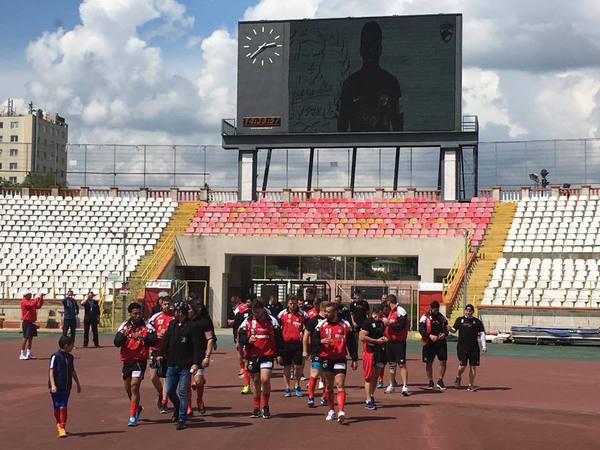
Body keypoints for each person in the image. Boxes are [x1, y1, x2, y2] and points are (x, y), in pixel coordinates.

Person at [337, 21, 403, 132]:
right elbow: (341, 128)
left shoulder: (391, 83)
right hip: (356, 146)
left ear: (380, 49)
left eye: (374, 44)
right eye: (367, 44)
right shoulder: (349, 85)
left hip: (384, 148)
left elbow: (398, 126)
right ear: (361, 49)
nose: (370, 50)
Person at [157, 302, 201, 430]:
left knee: (183, 391)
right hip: (172, 363)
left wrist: (195, 363)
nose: (174, 313)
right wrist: (160, 354)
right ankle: (177, 408)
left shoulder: (192, 326)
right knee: (170, 390)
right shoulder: (172, 324)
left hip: (185, 365)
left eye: (176, 311)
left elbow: (196, 346)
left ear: (181, 312)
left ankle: (182, 418)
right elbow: (166, 341)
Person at [312, 302, 358, 423]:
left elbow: (352, 343)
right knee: (328, 386)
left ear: (335, 312)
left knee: (340, 384)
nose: (326, 314)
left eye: (329, 312)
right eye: (326, 312)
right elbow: (313, 340)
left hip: (340, 358)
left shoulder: (345, 325)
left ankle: (341, 411)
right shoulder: (321, 324)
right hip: (326, 358)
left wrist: (354, 358)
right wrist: (321, 341)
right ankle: (331, 410)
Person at [238, 298, 283, 419]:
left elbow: (279, 339)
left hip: (267, 354)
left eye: (257, 312)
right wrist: (247, 340)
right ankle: (256, 407)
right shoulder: (247, 321)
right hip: (253, 355)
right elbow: (241, 336)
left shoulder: (272, 321)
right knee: (256, 381)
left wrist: (279, 354)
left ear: (263, 310)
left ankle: (266, 406)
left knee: (265, 379)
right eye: (254, 312)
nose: (255, 314)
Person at [114, 302, 157, 427]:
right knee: (128, 387)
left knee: (134, 385)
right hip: (127, 360)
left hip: (140, 359)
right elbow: (116, 342)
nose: (138, 316)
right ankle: (137, 407)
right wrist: (125, 334)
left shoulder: (147, 326)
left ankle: (133, 416)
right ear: (130, 314)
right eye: (135, 314)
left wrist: (143, 337)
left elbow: (153, 340)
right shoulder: (124, 326)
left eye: (139, 313)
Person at [448, 304, 487, 392]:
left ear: (473, 311)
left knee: (473, 367)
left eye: (470, 311)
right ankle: (458, 376)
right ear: (465, 311)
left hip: (474, 348)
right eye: (467, 310)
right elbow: (454, 330)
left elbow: (482, 334)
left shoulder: (477, 322)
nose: (468, 312)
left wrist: (484, 346)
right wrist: (450, 329)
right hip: (462, 347)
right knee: (463, 365)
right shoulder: (459, 320)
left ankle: (471, 385)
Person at [48, 336, 81, 438]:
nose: (72, 347)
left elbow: (72, 371)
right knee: (57, 406)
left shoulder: (70, 357)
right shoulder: (55, 356)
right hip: (56, 387)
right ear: (66, 346)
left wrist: (78, 383)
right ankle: (58, 423)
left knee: (63, 406)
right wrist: (53, 385)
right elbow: (51, 371)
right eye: (72, 345)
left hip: (67, 387)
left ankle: (62, 427)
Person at [187, 302, 216, 416]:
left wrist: (207, 356)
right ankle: (188, 406)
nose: (187, 311)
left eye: (189, 309)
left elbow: (210, 339)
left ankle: (199, 399)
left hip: (198, 355)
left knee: (199, 381)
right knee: (185, 383)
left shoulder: (203, 322)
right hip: (184, 356)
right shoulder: (183, 323)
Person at [148, 295, 174, 413]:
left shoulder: (175, 317)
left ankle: (164, 402)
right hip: (155, 349)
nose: (167, 306)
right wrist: (157, 334)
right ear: (161, 305)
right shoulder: (155, 317)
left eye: (169, 304)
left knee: (165, 377)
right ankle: (161, 393)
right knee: (153, 377)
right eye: (164, 304)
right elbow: (148, 332)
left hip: (169, 351)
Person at [277, 295, 307, 398]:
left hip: (298, 344)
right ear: (287, 303)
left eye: (294, 303)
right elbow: (276, 328)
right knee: (287, 367)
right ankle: (287, 388)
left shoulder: (302, 314)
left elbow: (308, 327)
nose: (292, 305)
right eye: (290, 303)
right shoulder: (282, 314)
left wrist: (303, 332)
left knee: (298, 367)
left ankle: (297, 385)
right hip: (286, 344)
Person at [359, 304, 387, 410]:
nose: (384, 313)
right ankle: (368, 400)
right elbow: (362, 337)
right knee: (369, 377)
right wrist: (376, 341)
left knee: (376, 375)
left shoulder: (381, 322)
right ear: (378, 311)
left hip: (379, 352)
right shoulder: (368, 322)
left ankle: (371, 395)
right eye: (383, 311)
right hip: (369, 352)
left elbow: (382, 334)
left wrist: (384, 338)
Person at [303, 301, 329, 407]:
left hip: (329, 353)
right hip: (316, 351)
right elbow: (305, 336)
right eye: (328, 309)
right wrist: (305, 350)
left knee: (327, 376)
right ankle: (311, 397)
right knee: (314, 374)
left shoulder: (331, 321)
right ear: (324, 309)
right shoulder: (313, 321)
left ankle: (324, 397)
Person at [419, 301, 449, 391]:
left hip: (441, 343)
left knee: (443, 361)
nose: (436, 311)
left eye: (437, 309)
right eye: (435, 309)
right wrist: (429, 336)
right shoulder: (424, 317)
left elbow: (447, 329)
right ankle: (430, 382)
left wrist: (444, 334)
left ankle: (440, 380)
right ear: (431, 308)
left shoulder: (442, 317)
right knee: (429, 362)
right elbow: (421, 330)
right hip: (429, 343)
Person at [384, 294, 410, 396]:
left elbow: (401, 325)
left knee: (401, 364)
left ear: (390, 302)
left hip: (399, 342)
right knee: (391, 364)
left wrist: (389, 324)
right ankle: (392, 385)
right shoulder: (390, 312)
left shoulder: (401, 311)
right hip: (390, 342)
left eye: (387, 303)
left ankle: (405, 386)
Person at [233, 297, 253, 394]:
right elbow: (238, 328)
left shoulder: (266, 317)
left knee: (258, 366)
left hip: (261, 345)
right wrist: (237, 341)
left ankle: (261, 384)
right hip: (247, 342)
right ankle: (247, 386)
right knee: (246, 362)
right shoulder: (244, 316)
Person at [20, 290, 43, 360]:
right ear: (26, 295)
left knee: (30, 338)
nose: (31, 295)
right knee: (26, 337)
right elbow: (32, 304)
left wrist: (41, 299)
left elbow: (38, 306)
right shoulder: (24, 301)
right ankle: (22, 354)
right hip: (27, 322)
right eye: (30, 294)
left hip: (32, 322)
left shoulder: (30, 301)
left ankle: (28, 353)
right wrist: (37, 298)